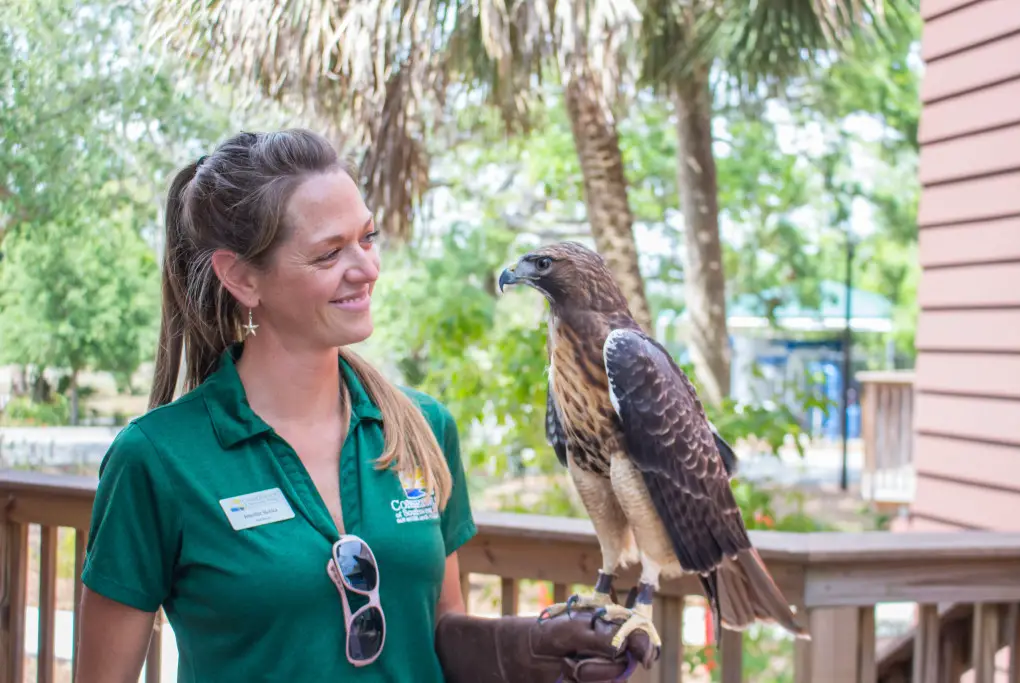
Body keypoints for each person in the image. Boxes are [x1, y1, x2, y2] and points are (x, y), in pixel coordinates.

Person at [74, 129, 655, 683]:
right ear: (243, 278)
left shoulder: (421, 429)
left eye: (367, 238)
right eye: (330, 254)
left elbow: (437, 631)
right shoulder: (157, 458)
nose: (367, 268)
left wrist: (527, 648)